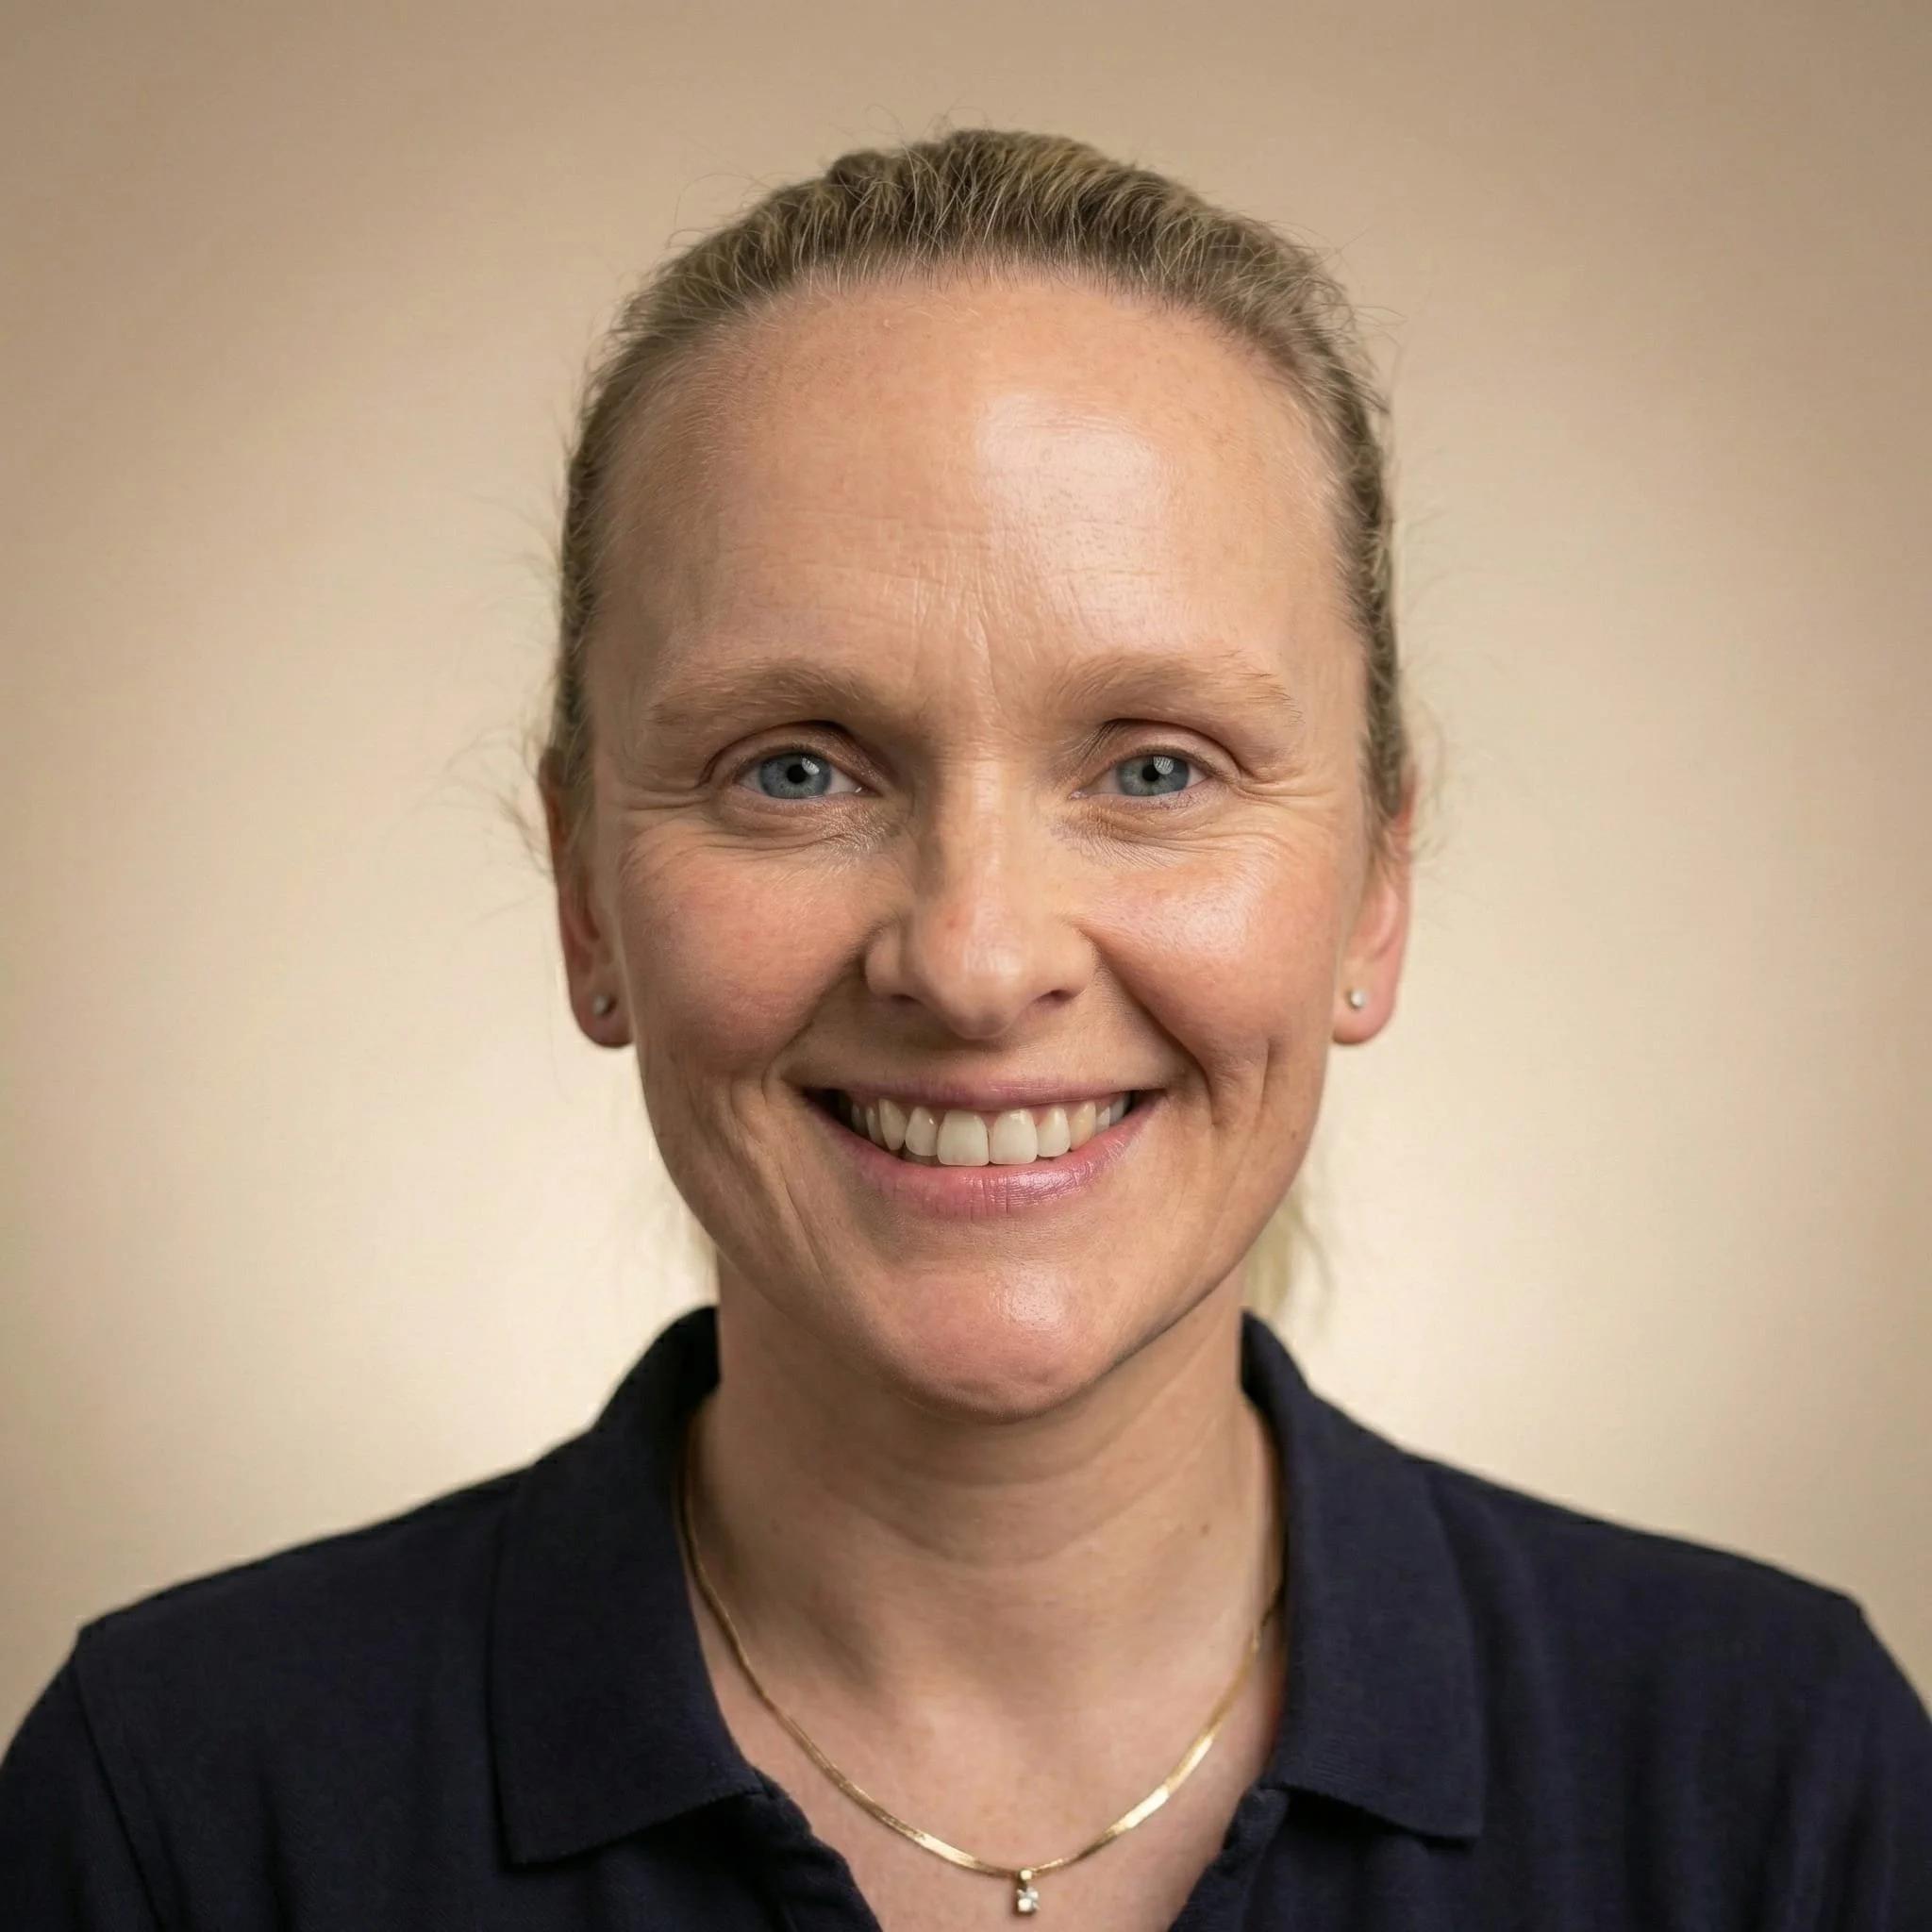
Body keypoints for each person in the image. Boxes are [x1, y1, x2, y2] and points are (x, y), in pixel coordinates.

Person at [2, 127, 1926, 1931]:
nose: (977, 957)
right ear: (589, 892)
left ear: (1376, 884)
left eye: (1156, 765)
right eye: (796, 770)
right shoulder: (179, 1810)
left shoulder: (1771, 1789)